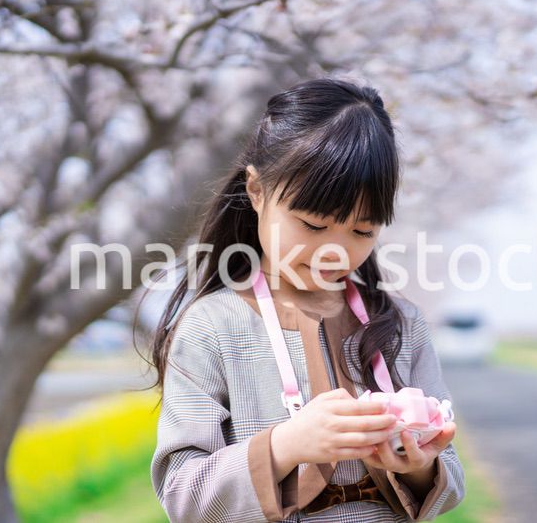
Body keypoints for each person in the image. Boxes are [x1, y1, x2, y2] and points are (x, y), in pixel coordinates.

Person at [147, 77, 466, 522]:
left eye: (362, 231)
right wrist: (284, 445)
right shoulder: (212, 328)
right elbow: (183, 493)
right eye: (313, 226)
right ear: (257, 191)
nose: (335, 251)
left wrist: (419, 464)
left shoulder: (401, 325)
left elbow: (451, 478)